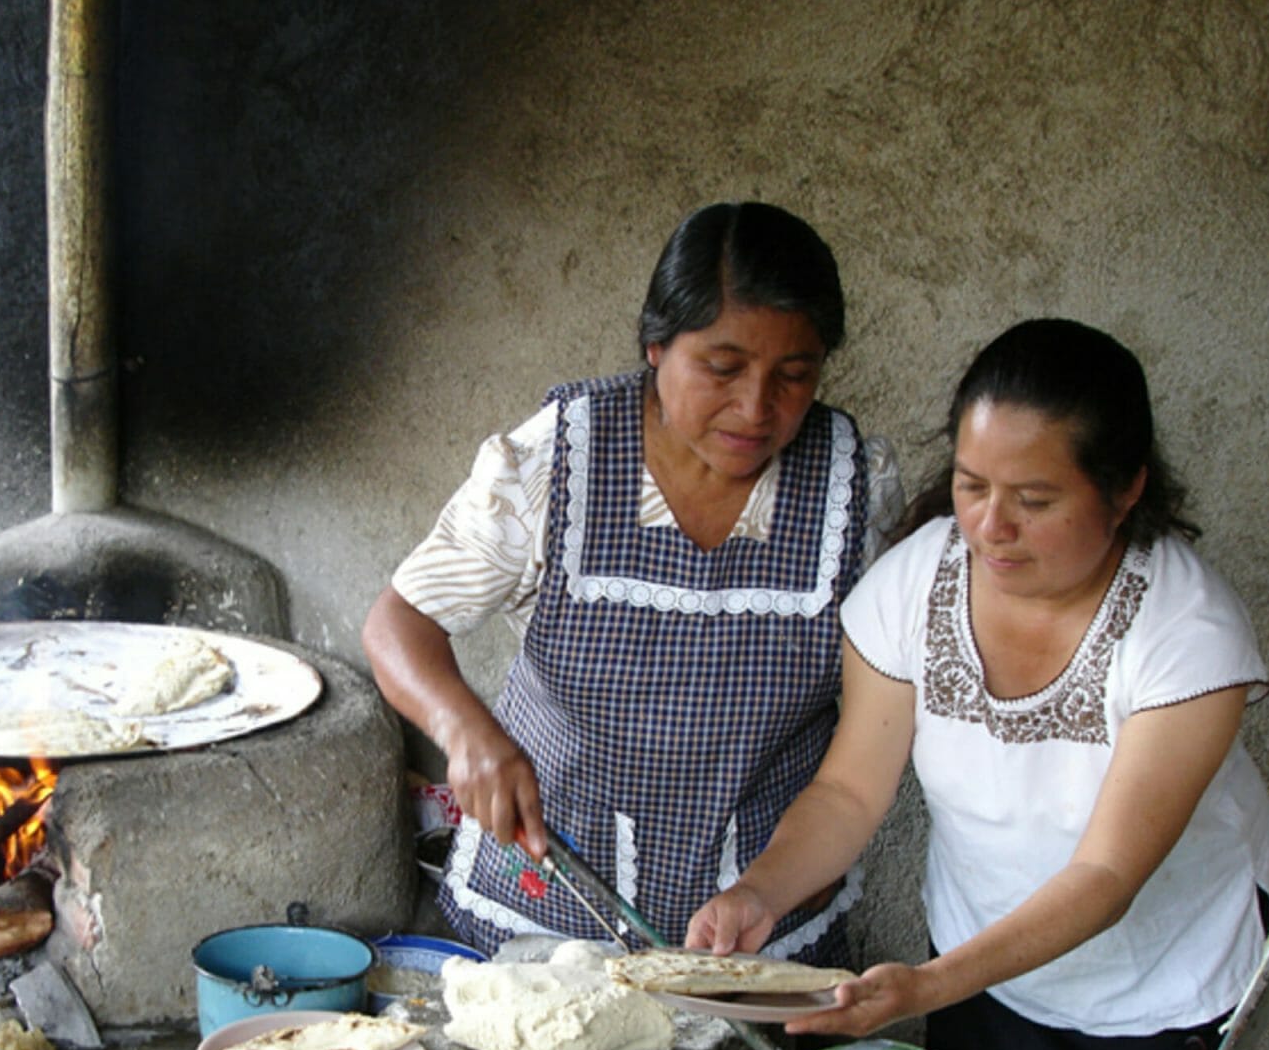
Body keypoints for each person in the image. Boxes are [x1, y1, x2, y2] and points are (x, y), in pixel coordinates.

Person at [685, 318, 1269, 1050]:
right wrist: (760, 893)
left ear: (1126, 487)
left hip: (1154, 987)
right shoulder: (916, 583)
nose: (990, 528)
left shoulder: (1185, 632)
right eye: (972, 486)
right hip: (979, 960)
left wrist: (926, 987)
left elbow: (1105, 878)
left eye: (1034, 500)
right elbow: (851, 794)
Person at [364, 202, 885, 961]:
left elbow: (871, 733)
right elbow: (398, 622)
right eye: (722, 367)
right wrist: (465, 732)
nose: (755, 407)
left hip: (760, 940)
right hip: (546, 919)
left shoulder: (852, 489)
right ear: (656, 345)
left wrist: (769, 889)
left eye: (793, 376)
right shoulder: (557, 462)